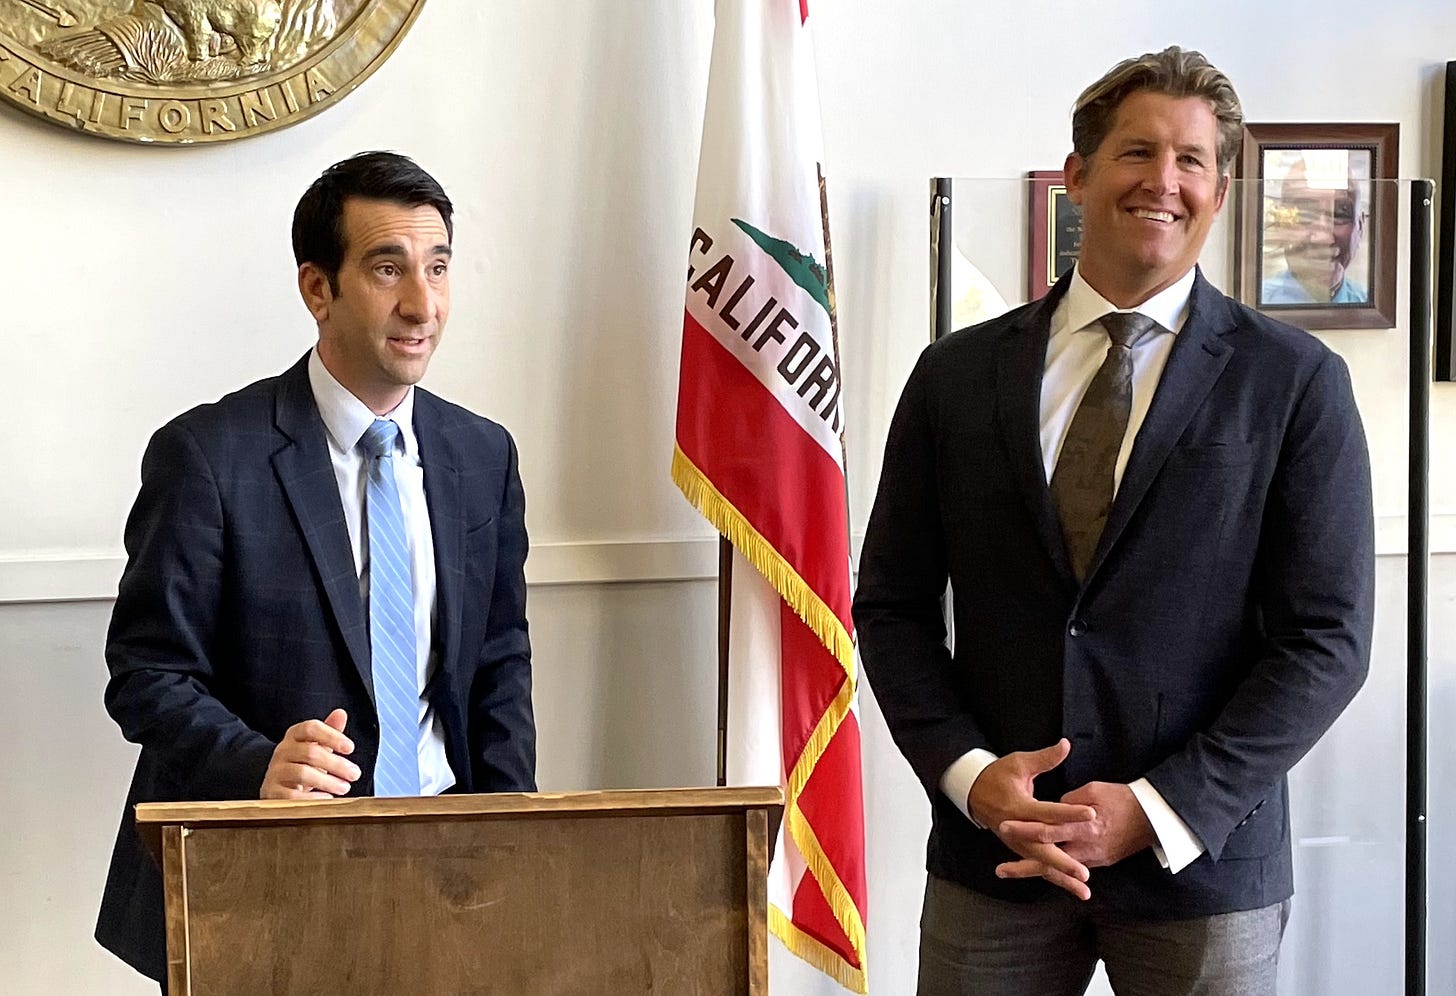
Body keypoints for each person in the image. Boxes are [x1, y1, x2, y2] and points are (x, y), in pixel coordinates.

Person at [854, 47, 1372, 995]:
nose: (1163, 181)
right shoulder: (954, 376)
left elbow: (1326, 641)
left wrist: (1161, 807)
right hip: (995, 858)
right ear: (1079, 175)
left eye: (1191, 160)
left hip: (1203, 868)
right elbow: (892, 607)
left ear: (1220, 192)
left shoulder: (1295, 383)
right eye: (1138, 152)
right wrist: (969, 776)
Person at [95, 151, 536, 985]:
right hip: (261, 881)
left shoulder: (484, 456)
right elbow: (147, 674)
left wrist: (515, 837)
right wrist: (256, 761)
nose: (423, 305)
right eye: (388, 269)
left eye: (439, 268)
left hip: (449, 870)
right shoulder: (208, 456)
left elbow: (499, 663)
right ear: (317, 289)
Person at [1260, 155, 1370, 305]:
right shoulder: (1252, 306)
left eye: (1340, 214)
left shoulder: (1372, 305)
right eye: (1305, 214)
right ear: (1280, 224)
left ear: (1360, 227)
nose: (1323, 238)